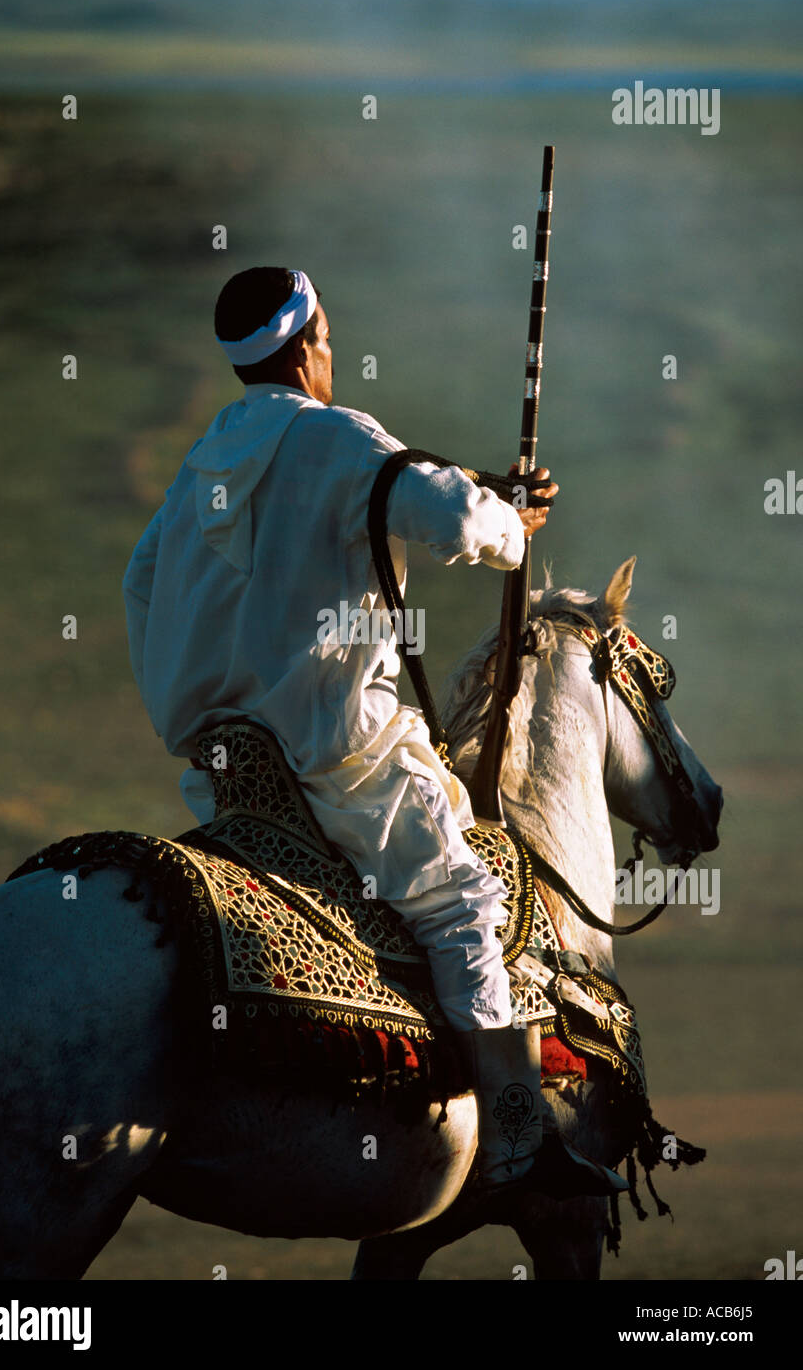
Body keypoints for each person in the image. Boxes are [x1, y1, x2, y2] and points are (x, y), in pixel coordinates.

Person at [123, 266, 627, 1207]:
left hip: (231, 768)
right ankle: (521, 1141)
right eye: (327, 332)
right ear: (308, 340)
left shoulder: (203, 466)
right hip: (340, 755)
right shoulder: (335, 435)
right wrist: (508, 519)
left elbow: (140, 586)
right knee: (460, 896)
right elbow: (452, 521)